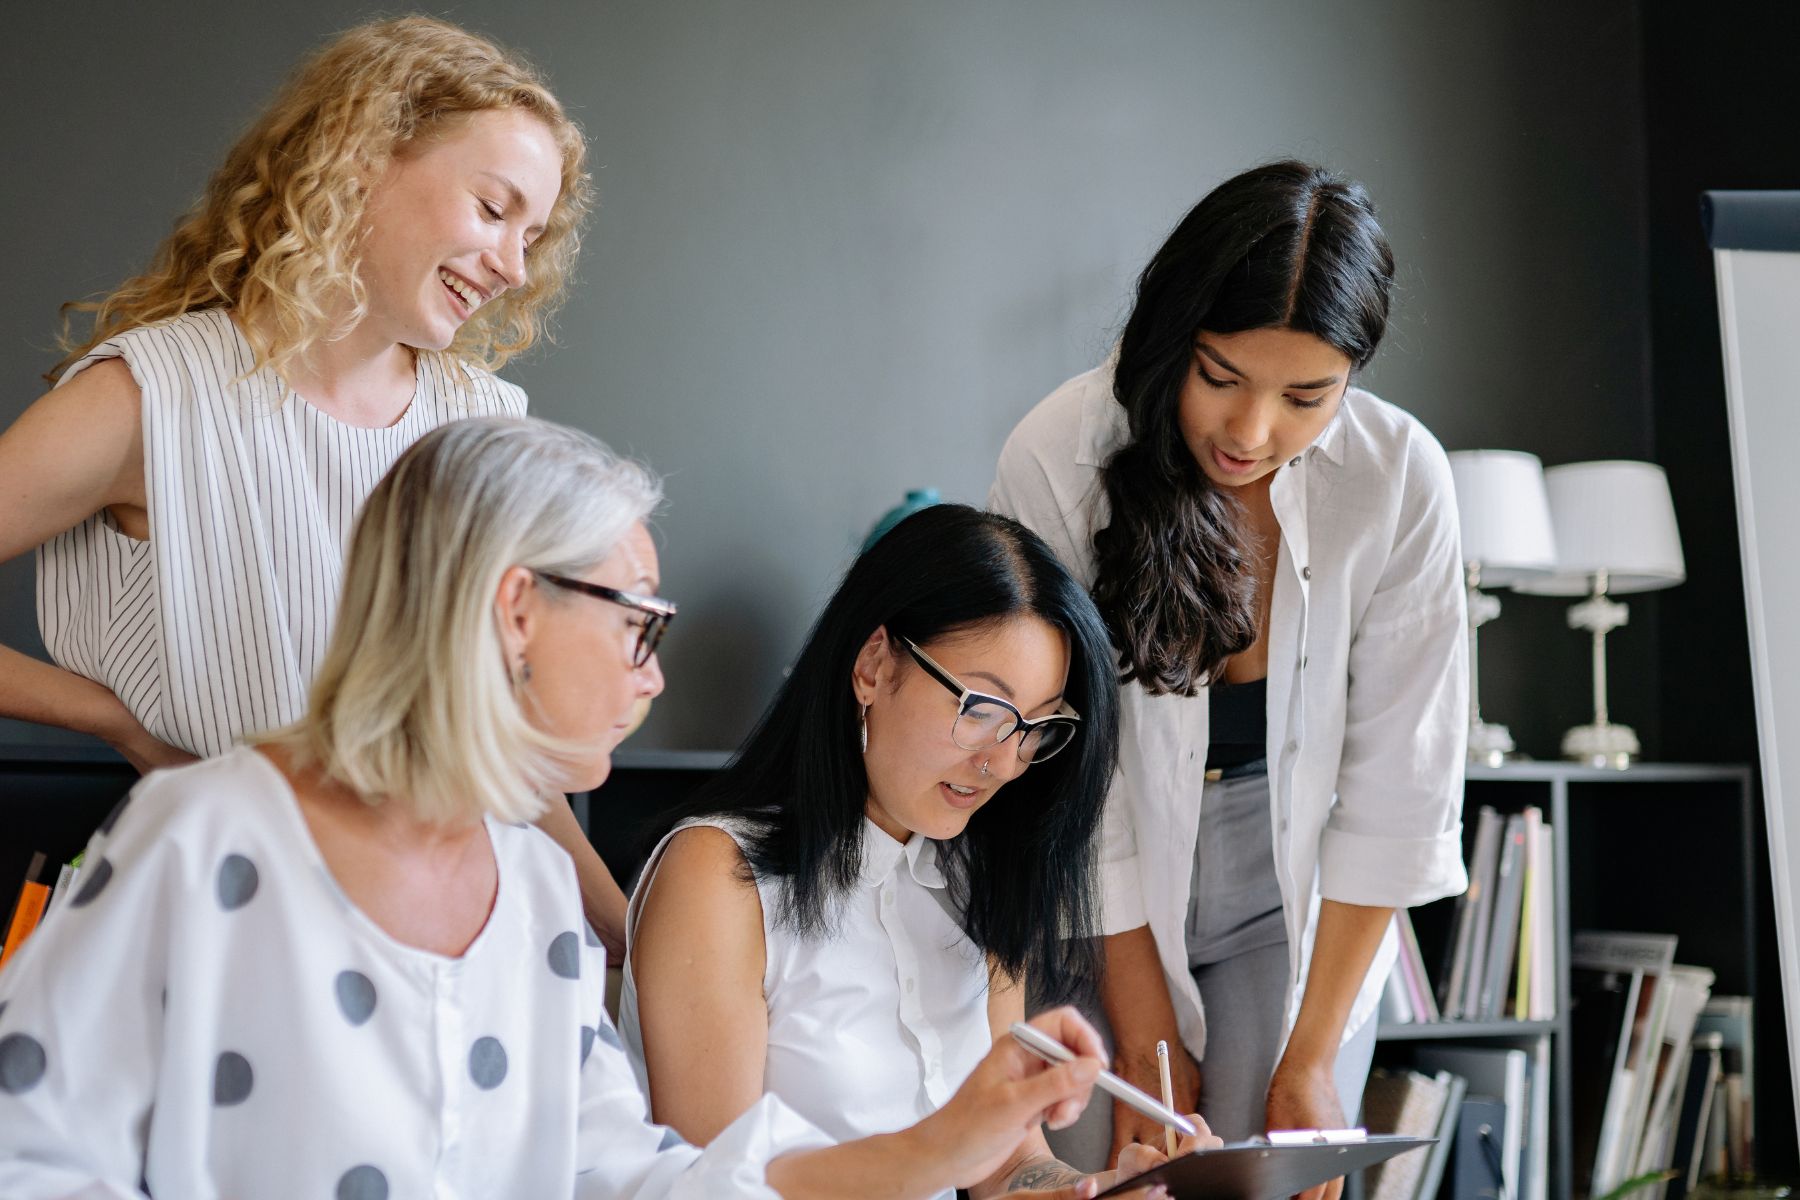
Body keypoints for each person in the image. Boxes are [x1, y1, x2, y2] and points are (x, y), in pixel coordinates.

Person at [0, 417, 1127, 1200]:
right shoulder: (206, 836)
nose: (654, 677)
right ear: (516, 613)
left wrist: (958, 1144)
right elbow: (25, 1151)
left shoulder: (534, 893)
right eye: (640, 625)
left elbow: (644, 1179)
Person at [0, 16, 635, 955]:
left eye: (533, 236)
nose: (512, 266)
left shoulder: (485, 424)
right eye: (494, 210)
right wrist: (114, 720)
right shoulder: (150, 399)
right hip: (236, 932)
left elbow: (502, 745)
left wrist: (626, 934)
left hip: (466, 939)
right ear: (364, 156)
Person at [990, 161, 1470, 1188]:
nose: (1252, 434)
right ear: (1174, 338)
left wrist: (1314, 1060)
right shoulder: (1058, 454)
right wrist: (1147, 1032)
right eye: (1220, 378)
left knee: (1269, 1166)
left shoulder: (1400, 479)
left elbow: (1401, 790)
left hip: (1286, 888)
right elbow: (1073, 769)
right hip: (1088, 875)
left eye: (1307, 396)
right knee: (1110, 1172)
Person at [623, 504, 1219, 1200]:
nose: (1003, 762)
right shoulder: (720, 876)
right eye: (981, 710)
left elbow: (1009, 1164)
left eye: (1034, 728)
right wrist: (942, 1151)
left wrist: (1099, 1191)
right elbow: (715, 1180)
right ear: (874, 665)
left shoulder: (981, 878)